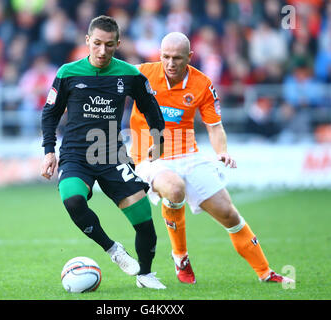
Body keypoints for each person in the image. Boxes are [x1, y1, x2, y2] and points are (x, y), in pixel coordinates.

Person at [129, 32, 295, 285]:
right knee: (174, 189)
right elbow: (107, 84)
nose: (170, 63)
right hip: (150, 156)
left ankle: (265, 272)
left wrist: (222, 152)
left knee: (228, 214)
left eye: (177, 58)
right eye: (165, 57)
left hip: (188, 154)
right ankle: (180, 257)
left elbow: (215, 126)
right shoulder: (141, 74)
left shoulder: (202, 84)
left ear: (190, 57)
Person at [40, 16, 166, 289]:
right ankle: (113, 250)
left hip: (112, 155)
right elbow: (49, 114)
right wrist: (50, 151)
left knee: (143, 219)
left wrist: (157, 138)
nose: (102, 50)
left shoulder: (130, 74)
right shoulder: (67, 73)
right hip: (75, 154)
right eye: (96, 43)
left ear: (118, 43)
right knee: (73, 201)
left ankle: (145, 274)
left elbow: (151, 108)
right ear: (87, 41)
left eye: (109, 45)